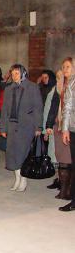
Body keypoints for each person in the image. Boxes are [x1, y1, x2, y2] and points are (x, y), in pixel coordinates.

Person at [0, 64, 43, 192]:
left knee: (24, 153)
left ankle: (23, 179)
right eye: (12, 74)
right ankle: (17, 178)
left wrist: (38, 126)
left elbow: (38, 109)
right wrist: (3, 128)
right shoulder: (9, 89)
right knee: (13, 154)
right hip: (12, 126)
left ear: (23, 73)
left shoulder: (32, 87)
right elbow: (5, 110)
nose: (14, 76)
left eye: (17, 73)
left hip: (27, 125)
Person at [46, 58, 73, 200]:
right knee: (62, 159)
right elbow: (52, 109)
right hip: (59, 126)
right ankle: (63, 189)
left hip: (69, 127)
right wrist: (49, 125)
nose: (59, 78)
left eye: (67, 67)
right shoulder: (58, 89)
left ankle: (68, 190)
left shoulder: (71, 86)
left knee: (69, 160)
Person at [60, 56, 75, 212]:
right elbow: (68, 107)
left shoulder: (71, 83)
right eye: (63, 67)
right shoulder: (71, 83)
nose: (65, 70)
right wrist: (65, 128)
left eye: (68, 67)